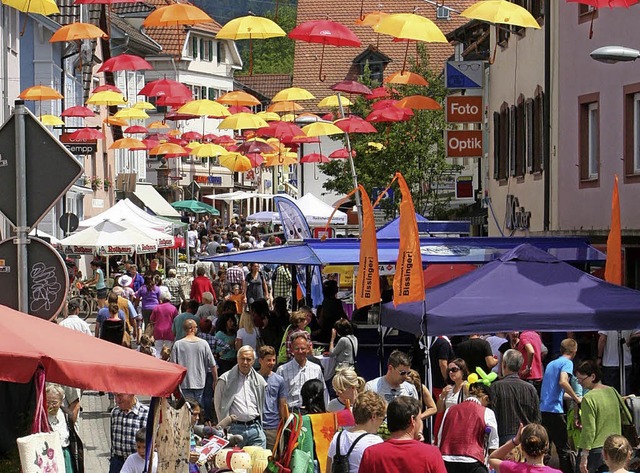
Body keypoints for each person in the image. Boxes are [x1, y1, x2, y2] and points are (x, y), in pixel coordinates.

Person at [359, 396, 448, 473]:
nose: (421, 423)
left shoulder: (371, 454)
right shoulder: (431, 454)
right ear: (412, 420)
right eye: (420, 418)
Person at [575, 360, 626, 473]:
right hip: (614, 447)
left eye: (581, 379)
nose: (579, 382)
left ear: (592, 376)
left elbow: (589, 430)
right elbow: (626, 416)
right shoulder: (613, 391)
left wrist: (584, 456)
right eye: (577, 379)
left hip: (594, 451)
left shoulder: (588, 398)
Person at [539, 339, 582, 473]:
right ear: (574, 351)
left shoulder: (551, 364)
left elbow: (555, 392)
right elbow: (563, 382)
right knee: (563, 449)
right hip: (554, 411)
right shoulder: (567, 363)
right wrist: (576, 398)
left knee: (544, 449)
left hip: (543, 409)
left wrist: (574, 397)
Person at [438, 382, 499, 473]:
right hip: (472, 460)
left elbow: (441, 436)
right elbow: (493, 442)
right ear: (485, 398)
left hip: (447, 459)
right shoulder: (487, 412)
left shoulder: (449, 410)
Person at [214, 346, 267, 447]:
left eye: (248, 359)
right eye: (242, 359)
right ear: (237, 359)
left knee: (260, 461)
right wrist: (224, 428)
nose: (245, 362)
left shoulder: (260, 381)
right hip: (234, 429)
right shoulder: (225, 380)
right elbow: (218, 406)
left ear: (253, 361)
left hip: (255, 429)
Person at [326, 391, 386, 473]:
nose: (382, 422)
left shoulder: (337, 437)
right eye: (383, 418)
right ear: (374, 416)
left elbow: (328, 470)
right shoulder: (375, 442)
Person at [491, 349, 541, 445]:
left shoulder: (496, 387)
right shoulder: (531, 388)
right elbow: (537, 418)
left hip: (503, 439)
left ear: (504, 364)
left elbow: (493, 414)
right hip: (526, 439)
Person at [276, 332, 328, 410]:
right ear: (292, 349)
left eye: (303, 348)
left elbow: (324, 392)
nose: (300, 351)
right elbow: (277, 396)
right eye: (297, 349)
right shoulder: (282, 370)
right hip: (292, 413)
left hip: (312, 413)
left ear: (307, 349)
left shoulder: (316, 369)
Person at [170, 319, 218, 404]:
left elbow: (173, 366)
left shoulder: (178, 344)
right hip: (200, 382)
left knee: (186, 409)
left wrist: (174, 384)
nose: (197, 329)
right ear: (192, 329)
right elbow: (213, 365)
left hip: (184, 383)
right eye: (196, 327)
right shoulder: (204, 344)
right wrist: (215, 380)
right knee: (197, 408)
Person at [489, 423, 561, 473]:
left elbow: (492, 458)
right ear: (547, 445)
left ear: (522, 447)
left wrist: (515, 441)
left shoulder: (512, 469)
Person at [46, 383, 84, 473]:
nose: (51, 406)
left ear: (60, 402)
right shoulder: (41, 416)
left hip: (64, 450)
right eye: (48, 402)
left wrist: (70, 426)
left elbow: (75, 404)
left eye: (54, 403)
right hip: (49, 455)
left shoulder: (66, 415)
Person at [257, 345, 288, 451]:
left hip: (273, 426)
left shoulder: (279, 380)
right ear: (260, 360)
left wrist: (284, 423)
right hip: (257, 424)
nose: (272, 363)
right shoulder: (253, 378)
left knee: (272, 458)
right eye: (268, 360)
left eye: (274, 360)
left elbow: (282, 404)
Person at [109, 393, 149, 473]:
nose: (117, 400)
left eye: (120, 395)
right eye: (115, 396)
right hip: (117, 463)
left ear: (131, 394)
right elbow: (112, 439)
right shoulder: (115, 412)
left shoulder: (146, 413)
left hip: (137, 463)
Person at [597, 330, 640, 395]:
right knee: (625, 390)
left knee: (610, 392)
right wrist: (630, 338)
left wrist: (599, 356)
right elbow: (638, 333)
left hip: (609, 362)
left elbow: (602, 339)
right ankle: (625, 404)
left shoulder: (606, 321)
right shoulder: (629, 321)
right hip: (626, 361)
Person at [314, 279, 347, 345]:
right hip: (333, 334)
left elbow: (320, 321)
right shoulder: (336, 303)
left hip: (325, 334)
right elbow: (344, 317)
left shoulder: (324, 302)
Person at [149, 288, 178, 356]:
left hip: (158, 331)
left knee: (158, 350)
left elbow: (152, 319)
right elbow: (176, 320)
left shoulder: (157, 308)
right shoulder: (173, 308)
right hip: (169, 331)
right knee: (168, 350)